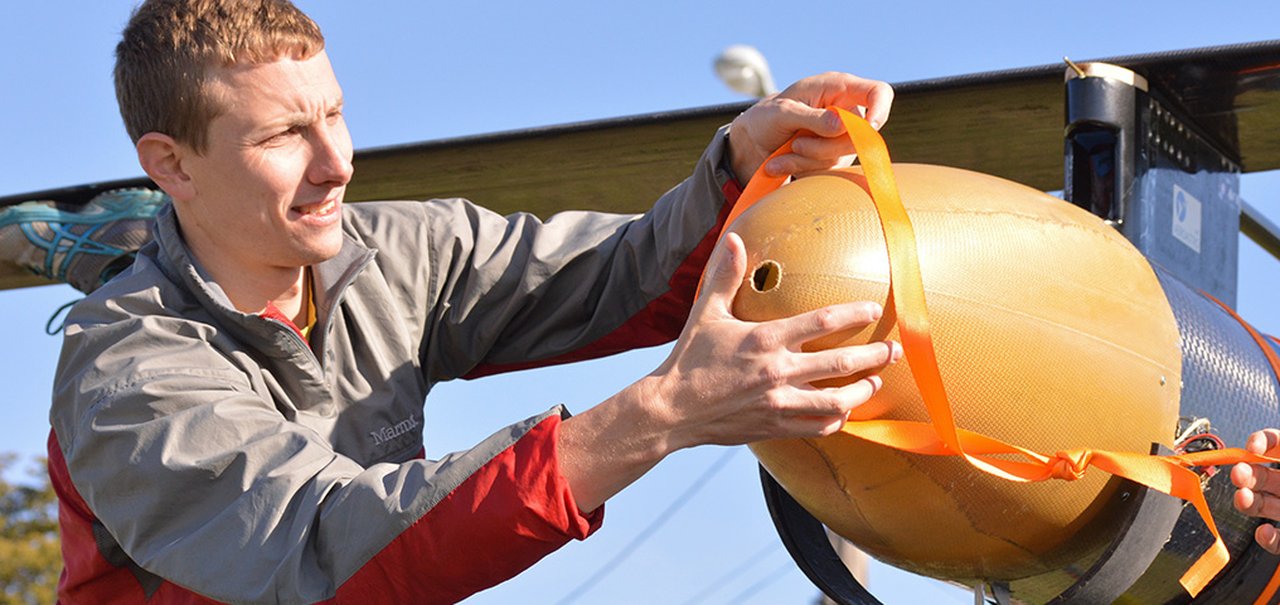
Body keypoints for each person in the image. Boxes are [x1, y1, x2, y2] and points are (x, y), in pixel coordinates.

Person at [42, 1, 899, 603]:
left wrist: (740, 175)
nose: (337, 163)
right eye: (281, 135)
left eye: (334, 114)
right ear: (172, 164)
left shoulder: (396, 251)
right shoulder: (125, 378)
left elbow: (614, 278)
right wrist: (661, 412)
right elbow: (324, 553)